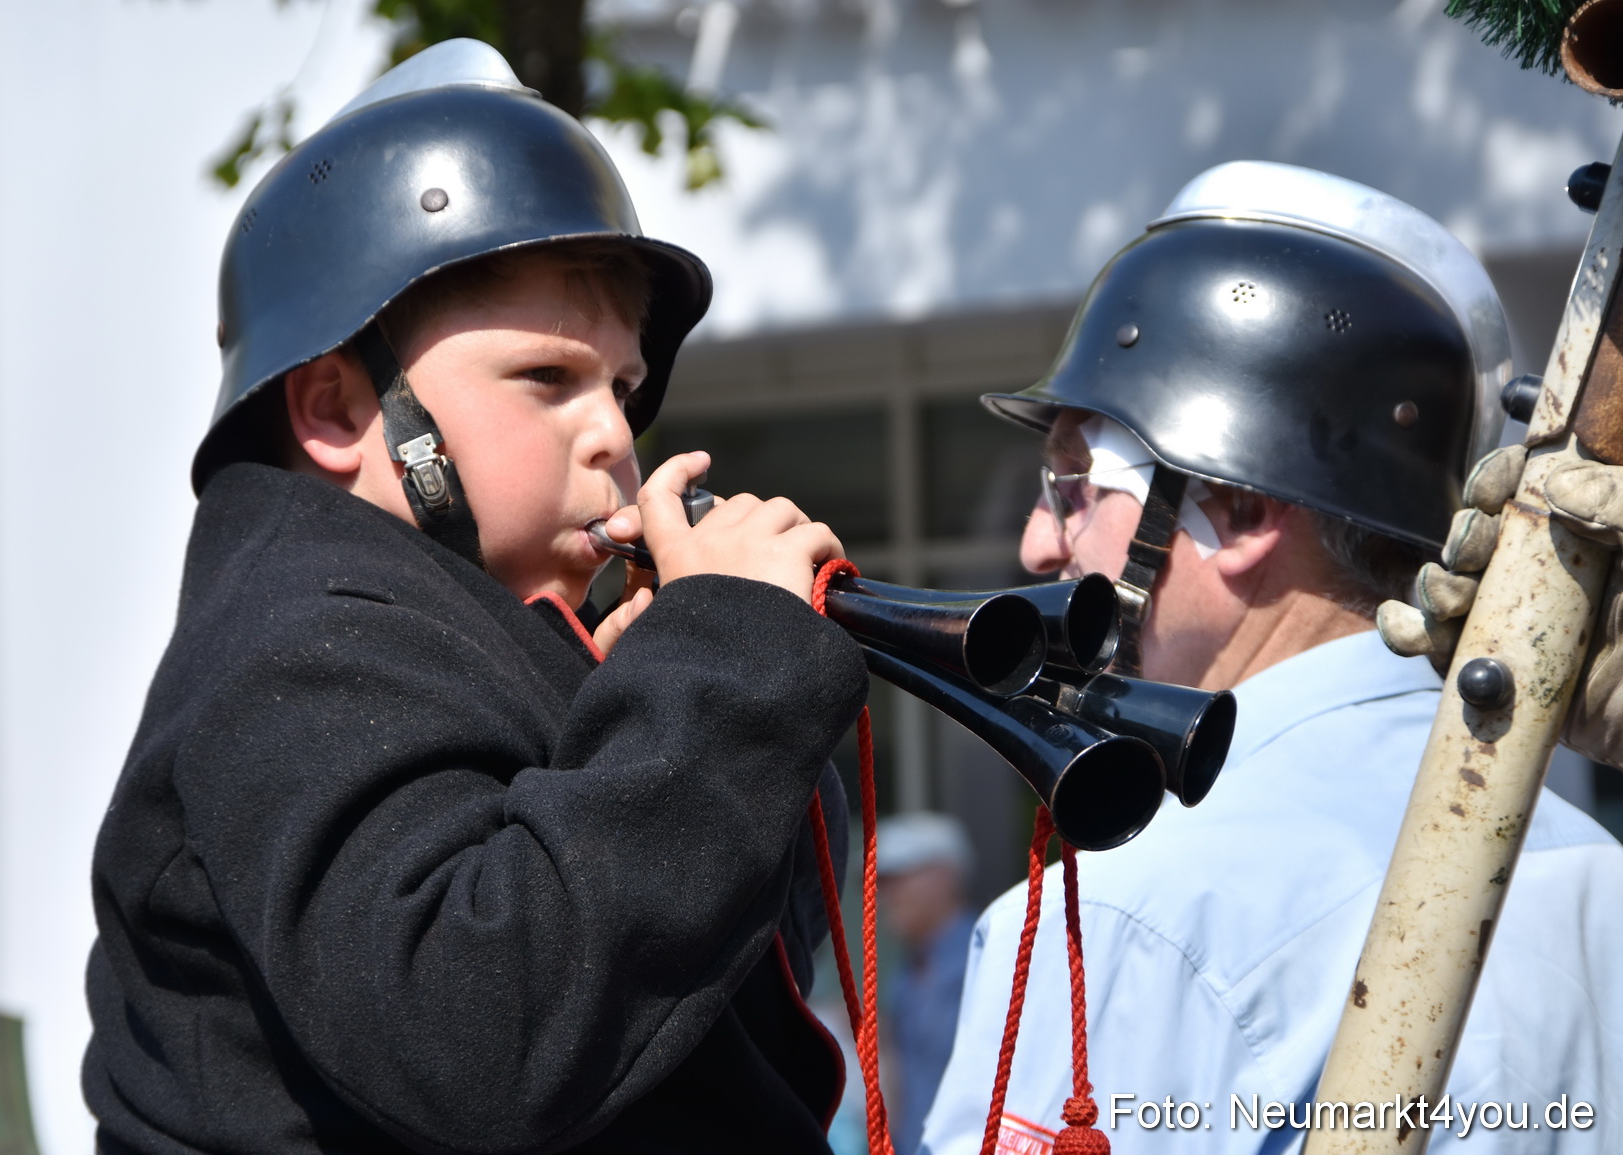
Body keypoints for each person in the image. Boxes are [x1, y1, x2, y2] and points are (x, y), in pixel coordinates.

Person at [83, 41, 867, 1154]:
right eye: (548, 377)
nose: (614, 434)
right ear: (335, 411)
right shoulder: (307, 642)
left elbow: (689, 1002)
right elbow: (484, 1034)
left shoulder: (444, 630)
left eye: (623, 387)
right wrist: (718, 676)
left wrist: (664, 706)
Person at [919, 162, 1623, 1153]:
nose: (1040, 543)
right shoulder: (1597, 872)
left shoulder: (1120, 915)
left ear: (1241, 511)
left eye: (1072, 485)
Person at [874, 813, 978, 1155]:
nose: (883, 895)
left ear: (944, 876)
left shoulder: (991, 957)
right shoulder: (908, 969)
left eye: (897, 878)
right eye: (880, 883)